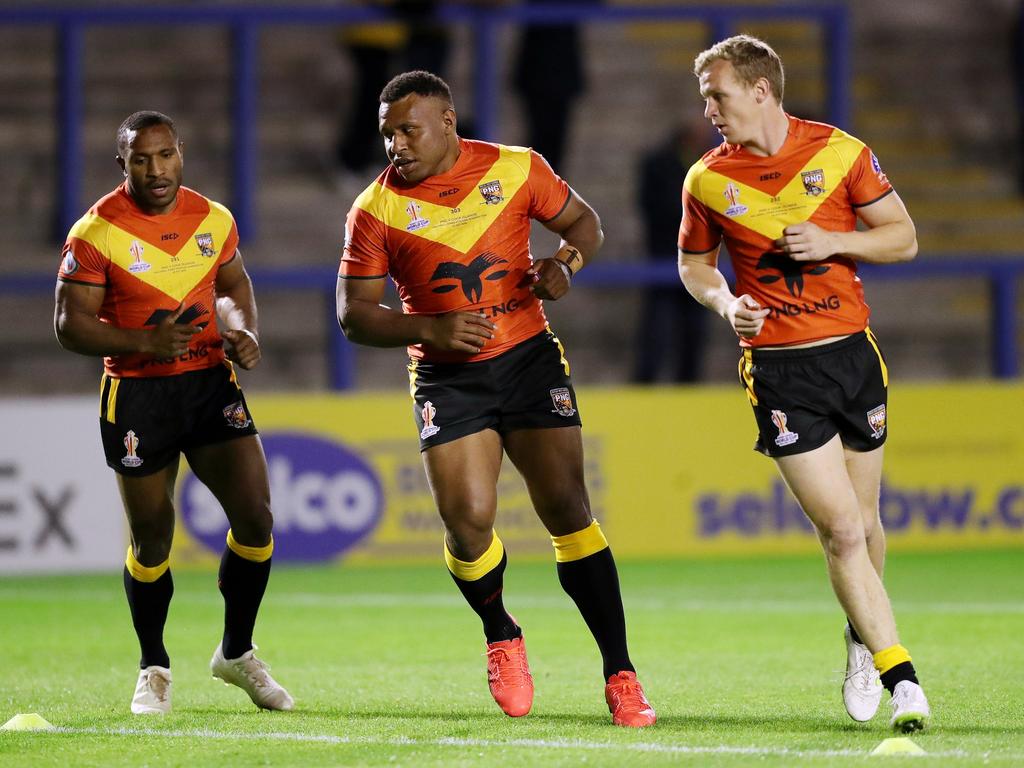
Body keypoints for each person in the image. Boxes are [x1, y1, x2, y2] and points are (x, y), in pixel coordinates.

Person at [336, 70, 655, 727]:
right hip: (448, 378)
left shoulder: (516, 169)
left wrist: (565, 264)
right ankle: (501, 632)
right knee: (468, 521)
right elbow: (353, 315)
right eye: (388, 133)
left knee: (568, 507)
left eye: (408, 130)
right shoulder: (375, 209)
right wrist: (429, 326)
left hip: (529, 358)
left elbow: (584, 223)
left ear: (448, 121)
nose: (396, 144)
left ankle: (621, 674)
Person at [678, 36, 930, 732]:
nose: (709, 110)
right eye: (706, 98)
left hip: (852, 358)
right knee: (843, 528)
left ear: (761, 91)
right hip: (780, 371)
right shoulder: (705, 179)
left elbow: (903, 238)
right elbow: (694, 266)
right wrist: (727, 303)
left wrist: (833, 242)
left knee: (867, 525)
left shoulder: (840, 153)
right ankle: (900, 675)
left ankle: (860, 631)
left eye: (718, 95)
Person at [53, 111, 293, 715]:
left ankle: (236, 653)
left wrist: (242, 330)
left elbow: (233, 287)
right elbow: (68, 325)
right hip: (138, 396)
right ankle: (153, 667)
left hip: (211, 384)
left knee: (257, 518)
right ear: (123, 163)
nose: (155, 170)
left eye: (164, 156)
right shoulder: (96, 232)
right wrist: (142, 344)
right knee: (154, 535)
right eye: (140, 159)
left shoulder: (213, 219)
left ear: (180, 154)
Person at [632, 120, 709, 383]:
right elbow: (653, 207)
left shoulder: (708, 163)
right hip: (665, 258)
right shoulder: (658, 164)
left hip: (697, 260)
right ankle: (646, 384)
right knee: (658, 330)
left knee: (693, 330)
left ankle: (688, 384)